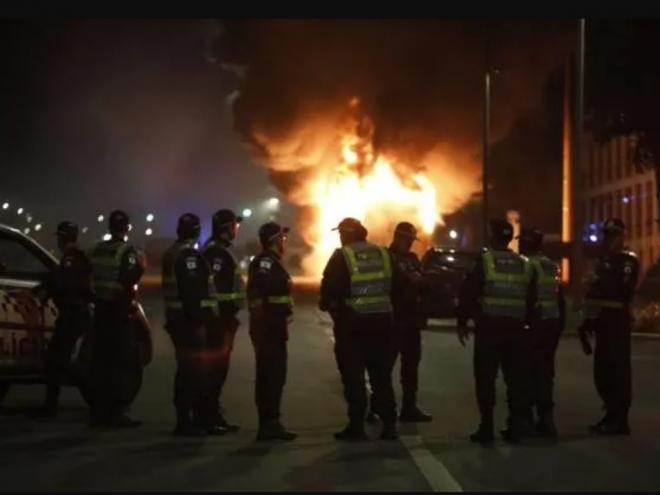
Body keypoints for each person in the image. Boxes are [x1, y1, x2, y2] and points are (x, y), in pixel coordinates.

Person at [457, 219, 535, 445]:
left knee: (485, 379)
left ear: (492, 237)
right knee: (516, 380)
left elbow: (469, 292)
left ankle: (487, 427)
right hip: (517, 330)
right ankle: (515, 427)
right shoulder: (524, 263)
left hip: (490, 330)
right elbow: (531, 299)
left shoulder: (485, 261)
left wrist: (462, 321)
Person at [319, 217, 398, 441]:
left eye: (340, 234)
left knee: (354, 377)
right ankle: (389, 426)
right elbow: (400, 286)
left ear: (345, 234)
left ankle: (356, 427)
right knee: (381, 376)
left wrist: (329, 306)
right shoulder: (383, 254)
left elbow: (329, 290)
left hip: (352, 326)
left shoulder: (341, 256)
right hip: (382, 324)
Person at [162, 213, 225, 436]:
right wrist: (203, 319)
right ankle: (187, 422)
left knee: (187, 371)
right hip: (188, 321)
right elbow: (192, 292)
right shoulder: (187, 255)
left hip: (177, 318)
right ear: (196, 231)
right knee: (192, 372)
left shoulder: (172, 252)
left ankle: (189, 420)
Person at [579, 218, 639, 435]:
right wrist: (587, 321)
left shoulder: (628, 261)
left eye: (613, 235)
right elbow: (593, 293)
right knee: (602, 371)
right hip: (602, 321)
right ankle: (610, 413)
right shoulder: (603, 261)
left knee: (618, 370)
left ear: (622, 236)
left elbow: (623, 289)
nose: (609, 240)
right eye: (607, 235)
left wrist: (599, 280)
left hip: (617, 320)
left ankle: (619, 419)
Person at [88, 210, 145, 427]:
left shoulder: (96, 249)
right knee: (121, 362)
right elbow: (130, 277)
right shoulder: (127, 251)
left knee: (99, 362)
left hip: (99, 310)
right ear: (127, 229)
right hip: (117, 313)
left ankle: (97, 411)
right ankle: (116, 413)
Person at [35, 221, 93, 417]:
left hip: (72, 315)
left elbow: (63, 283)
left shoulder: (70, 258)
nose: (58, 241)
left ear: (64, 238)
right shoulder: (76, 257)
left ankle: (50, 407)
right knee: (61, 359)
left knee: (56, 360)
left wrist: (46, 291)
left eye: (60, 237)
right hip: (74, 314)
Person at [247, 221, 296, 441]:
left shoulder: (273, 261)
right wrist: (264, 325)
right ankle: (268, 424)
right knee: (270, 376)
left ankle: (271, 423)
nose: (285, 241)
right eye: (282, 238)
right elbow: (260, 292)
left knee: (275, 376)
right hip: (269, 329)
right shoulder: (265, 262)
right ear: (274, 240)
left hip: (274, 327)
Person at [200, 209, 245, 433]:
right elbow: (213, 289)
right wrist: (224, 312)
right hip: (218, 321)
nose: (237, 229)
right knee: (214, 371)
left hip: (222, 320)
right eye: (235, 225)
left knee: (217, 370)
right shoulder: (216, 253)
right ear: (226, 228)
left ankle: (212, 414)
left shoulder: (219, 250)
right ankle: (208, 417)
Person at [518, 227, 565, 437]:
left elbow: (526, 297)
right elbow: (559, 298)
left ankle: (525, 421)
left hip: (532, 326)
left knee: (526, 373)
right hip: (550, 325)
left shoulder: (526, 265)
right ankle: (546, 420)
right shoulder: (550, 265)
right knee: (545, 374)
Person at [387, 221, 432, 422]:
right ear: (398, 237)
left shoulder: (413, 259)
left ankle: (409, 407)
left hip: (412, 320)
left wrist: (420, 280)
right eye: (408, 239)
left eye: (411, 240)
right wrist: (411, 279)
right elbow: (395, 282)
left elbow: (424, 282)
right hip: (392, 320)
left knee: (411, 367)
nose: (410, 243)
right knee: (384, 367)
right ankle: (378, 406)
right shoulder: (387, 257)